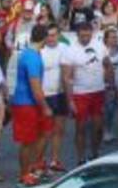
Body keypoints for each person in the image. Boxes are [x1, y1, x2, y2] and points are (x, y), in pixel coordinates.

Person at [10, 24, 51, 186]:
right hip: (26, 104)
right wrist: (45, 107)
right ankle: (24, 175)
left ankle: (33, 167)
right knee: (27, 141)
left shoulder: (29, 53)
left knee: (40, 135)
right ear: (45, 38)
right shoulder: (33, 57)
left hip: (28, 102)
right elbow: (35, 86)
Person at [65, 20, 109, 163]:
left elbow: (107, 64)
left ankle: (95, 153)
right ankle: (81, 158)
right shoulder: (70, 50)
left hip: (98, 91)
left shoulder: (100, 46)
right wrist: (70, 100)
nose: (85, 39)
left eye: (88, 36)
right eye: (82, 36)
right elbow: (67, 77)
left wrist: (110, 83)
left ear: (92, 34)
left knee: (98, 127)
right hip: (80, 93)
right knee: (81, 127)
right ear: (77, 35)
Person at [40, 25, 68, 173]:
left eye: (54, 35)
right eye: (48, 35)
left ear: (58, 35)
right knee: (45, 131)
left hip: (61, 94)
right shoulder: (40, 51)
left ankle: (55, 160)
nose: (51, 38)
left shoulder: (64, 48)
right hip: (46, 94)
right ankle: (40, 161)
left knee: (59, 129)